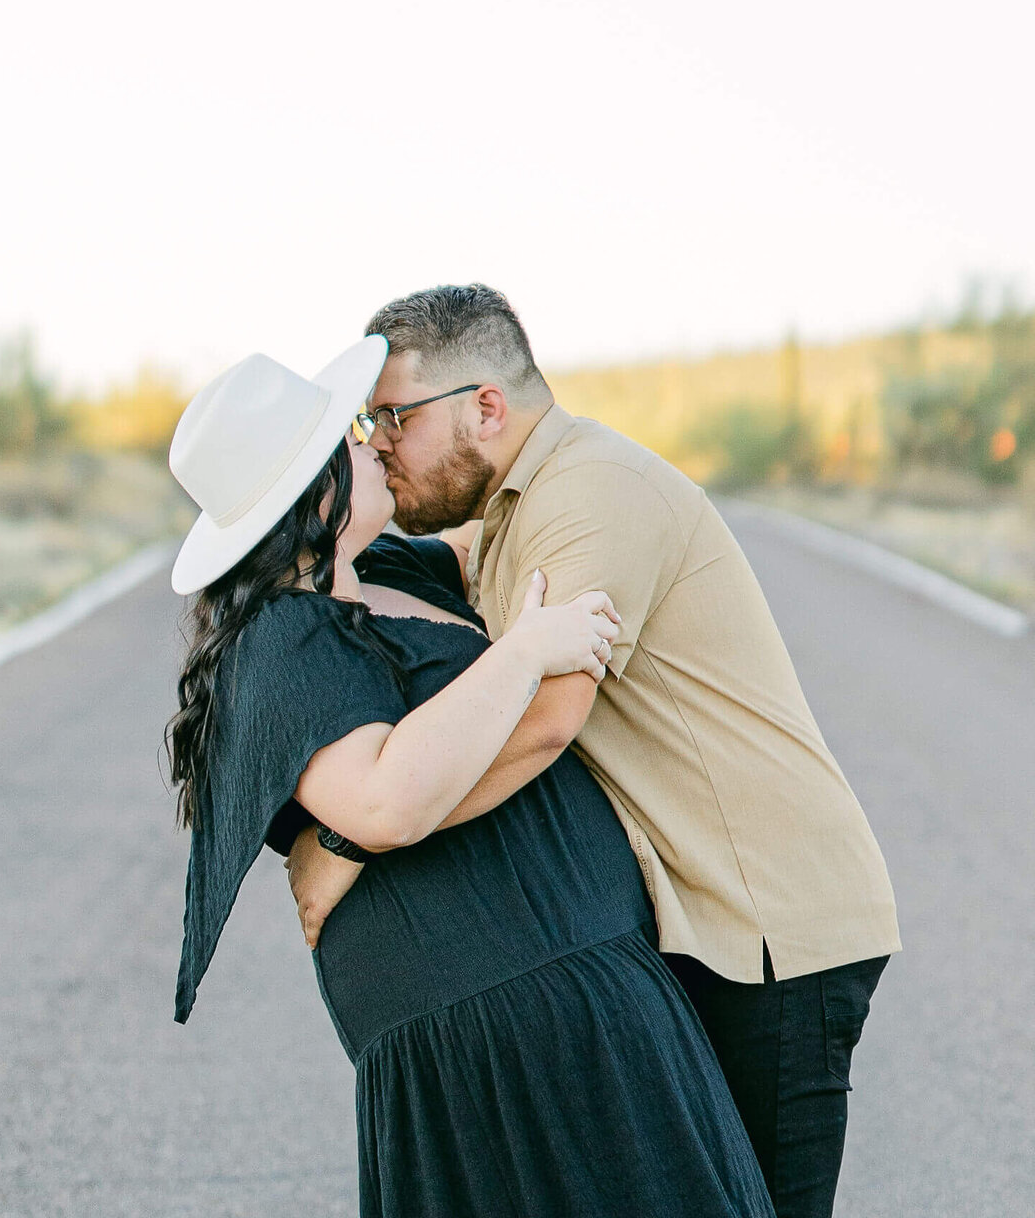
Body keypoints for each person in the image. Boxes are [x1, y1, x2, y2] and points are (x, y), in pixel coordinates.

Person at [287, 286, 901, 1218]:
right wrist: (297, 529)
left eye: (391, 419)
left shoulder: (592, 493)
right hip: (685, 922)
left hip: (766, 927)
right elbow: (428, 565)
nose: (377, 442)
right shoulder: (514, 510)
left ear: (484, 407)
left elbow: (543, 719)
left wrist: (353, 840)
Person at [166, 340, 775, 1218]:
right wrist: (525, 650)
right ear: (312, 493)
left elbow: (500, 513)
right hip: (496, 1025)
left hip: (572, 986)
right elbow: (383, 799)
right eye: (349, 436)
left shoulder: (377, 583)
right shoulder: (280, 642)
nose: (373, 441)